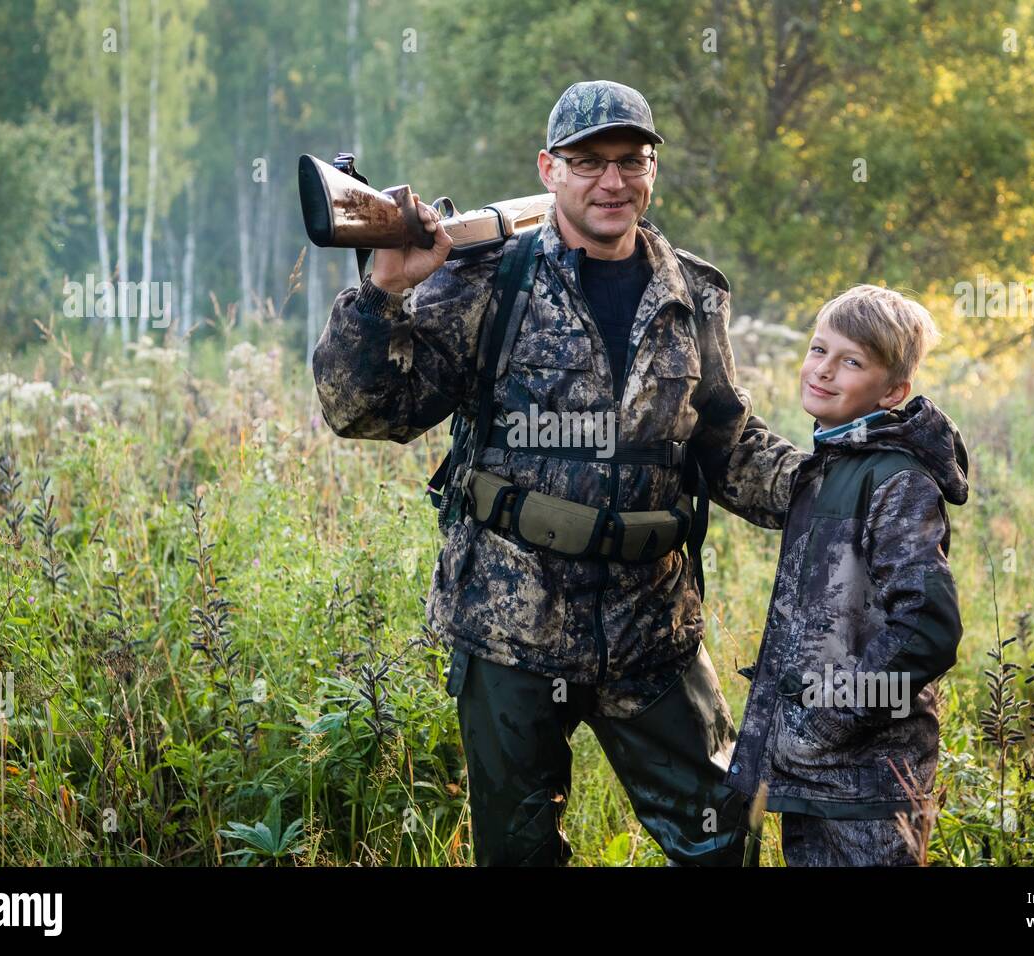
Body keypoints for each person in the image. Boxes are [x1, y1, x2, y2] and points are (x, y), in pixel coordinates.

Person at [312, 79, 808, 865]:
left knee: (723, 836)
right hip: (512, 627)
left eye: (631, 160)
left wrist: (828, 489)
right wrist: (382, 294)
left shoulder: (693, 292)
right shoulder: (487, 281)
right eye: (589, 162)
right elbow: (366, 411)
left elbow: (726, 442)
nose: (613, 181)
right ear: (550, 169)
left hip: (652, 628)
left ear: (652, 170)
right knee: (519, 854)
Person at [725, 284, 968, 866]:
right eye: (818, 350)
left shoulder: (896, 481)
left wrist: (828, 719)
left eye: (851, 361)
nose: (824, 371)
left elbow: (926, 629)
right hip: (813, 779)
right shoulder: (832, 466)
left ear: (893, 392)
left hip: (869, 786)